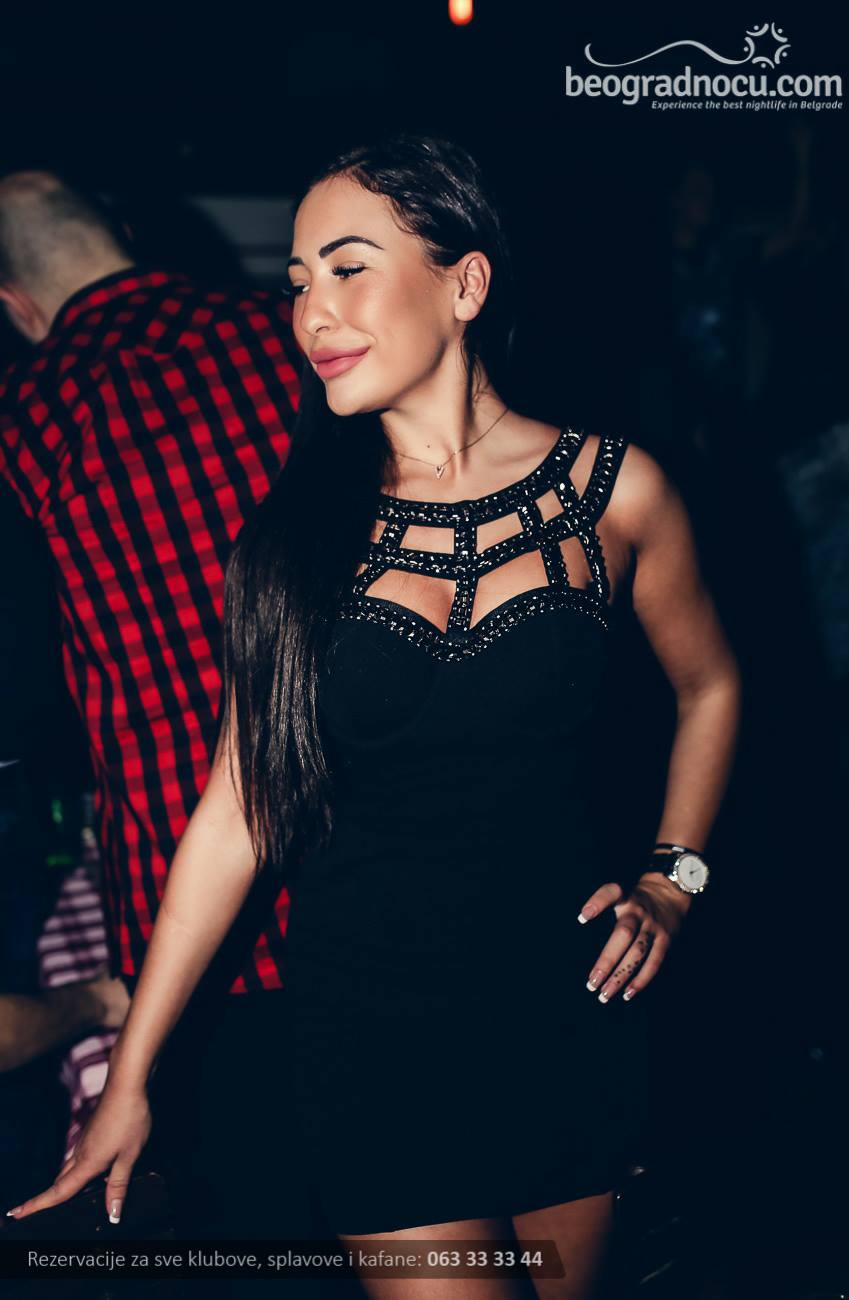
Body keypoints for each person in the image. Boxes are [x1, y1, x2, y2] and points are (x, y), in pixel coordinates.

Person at [7, 137, 742, 1300]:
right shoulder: (294, 541)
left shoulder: (616, 490)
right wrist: (129, 1076)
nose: (312, 311)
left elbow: (711, 687)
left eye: (348, 268)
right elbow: (234, 813)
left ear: (465, 283)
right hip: (371, 1033)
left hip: (567, 1005)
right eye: (298, 280)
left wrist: (673, 879)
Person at [0, 171, 310, 1242]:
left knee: (264, 1231)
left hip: (192, 922)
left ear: (14, 304)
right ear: (126, 235)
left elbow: (26, 693)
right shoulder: (292, 338)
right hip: (374, 862)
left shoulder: (21, 425)